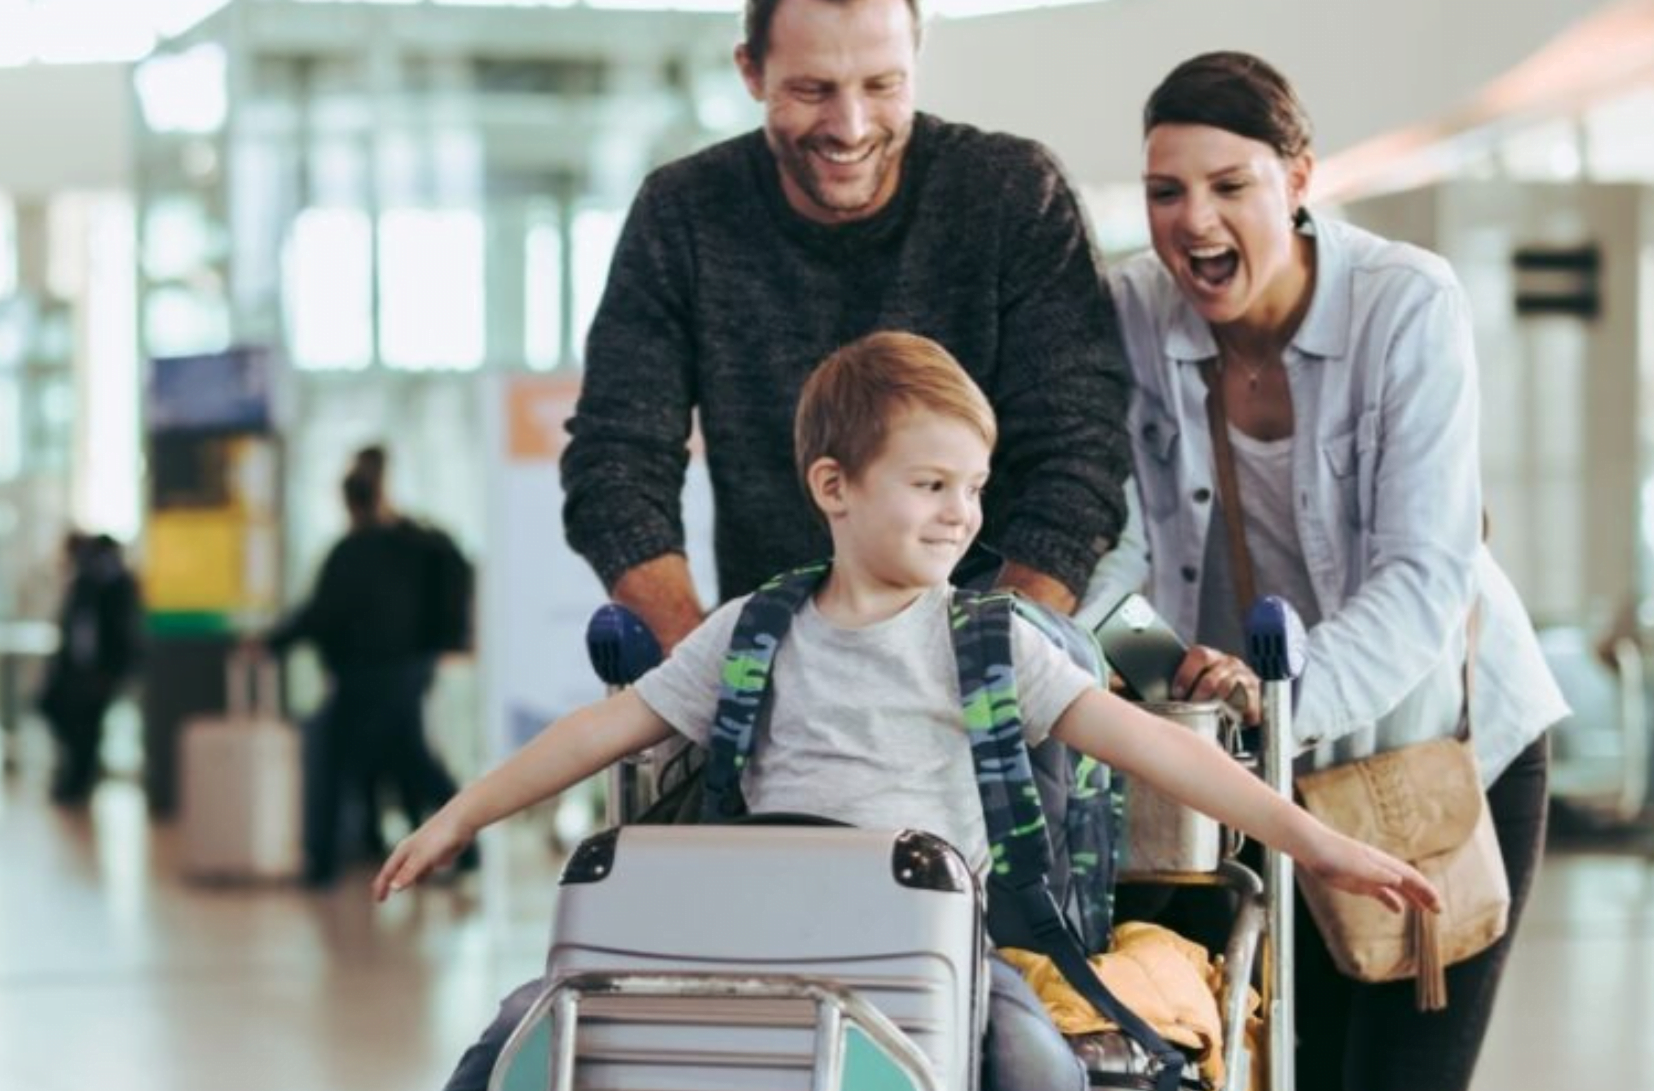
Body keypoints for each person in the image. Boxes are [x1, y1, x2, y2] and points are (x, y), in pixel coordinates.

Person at [387, 331, 1440, 1091]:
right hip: (754, 943)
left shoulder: (991, 642)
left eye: (973, 486)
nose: (961, 512)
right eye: (930, 483)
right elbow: (598, 731)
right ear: (834, 485)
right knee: (521, 1028)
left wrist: (1313, 840)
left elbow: (1154, 746)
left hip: (930, 950)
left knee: (1030, 1060)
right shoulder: (753, 629)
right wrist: (458, 815)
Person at [1081, 52, 1570, 1091]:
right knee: (1269, 1061)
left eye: (1229, 186)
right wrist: (1176, 683)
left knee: (1397, 1070)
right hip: (1247, 764)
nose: (1192, 220)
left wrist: (1274, 700)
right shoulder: (1126, 308)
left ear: (1298, 179)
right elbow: (1112, 548)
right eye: (1166, 191)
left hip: (1433, 744)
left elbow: (1424, 572)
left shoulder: (1403, 305)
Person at [562, 0, 1133, 652]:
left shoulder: (1011, 195)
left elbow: (1078, 458)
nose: (851, 126)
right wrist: (708, 669)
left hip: (991, 680)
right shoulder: (683, 215)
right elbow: (615, 464)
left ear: (915, 60)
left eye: (882, 85)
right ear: (751, 72)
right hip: (770, 679)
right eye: (813, 90)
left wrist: (986, 662)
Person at [262, 447, 473, 885]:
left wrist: (270, 642)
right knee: (410, 761)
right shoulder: (418, 544)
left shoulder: (356, 551)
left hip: (368, 677)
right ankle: (462, 847)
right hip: (408, 672)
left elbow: (320, 615)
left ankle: (322, 866)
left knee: (340, 761)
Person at [38, 533, 143, 804]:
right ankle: (75, 781)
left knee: (85, 727)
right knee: (76, 723)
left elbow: (111, 631)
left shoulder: (102, 581)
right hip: (86, 670)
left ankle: (77, 782)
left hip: (96, 671)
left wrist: (110, 669)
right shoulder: (95, 580)